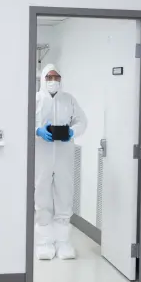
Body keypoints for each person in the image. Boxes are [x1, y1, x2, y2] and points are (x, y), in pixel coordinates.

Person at [35, 64, 87, 260]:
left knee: (64, 193)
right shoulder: (36, 99)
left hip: (64, 154)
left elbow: (82, 121)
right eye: (49, 77)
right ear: (43, 79)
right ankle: (44, 242)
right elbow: (23, 120)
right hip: (42, 154)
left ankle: (63, 241)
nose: (53, 81)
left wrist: (72, 131)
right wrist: (38, 131)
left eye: (56, 77)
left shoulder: (69, 100)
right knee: (42, 194)